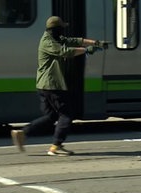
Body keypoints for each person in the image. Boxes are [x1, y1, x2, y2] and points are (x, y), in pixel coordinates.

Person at [11, 16, 109, 156]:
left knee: (51, 116)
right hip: (52, 84)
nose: (63, 30)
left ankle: (23, 133)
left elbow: (74, 40)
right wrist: (86, 50)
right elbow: (65, 51)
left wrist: (97, 42)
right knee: (67, 114)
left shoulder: (55, 38)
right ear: (55, 29)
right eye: (61, 27)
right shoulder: (48, 42)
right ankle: (55, 146)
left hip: (44, 85)